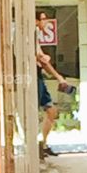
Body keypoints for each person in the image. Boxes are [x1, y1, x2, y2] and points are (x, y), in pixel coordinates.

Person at [36, 9, 67, 157]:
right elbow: (42, 60)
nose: (45, 22)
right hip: (33, 76)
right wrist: (58, 77)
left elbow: (42, 58)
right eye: (42, 19)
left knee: (51, 110)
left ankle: (43, 143)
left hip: (38, 75)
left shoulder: (35, 36)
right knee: (40, 111)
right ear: (36, 21)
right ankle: (37, 144)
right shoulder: (31, 34)